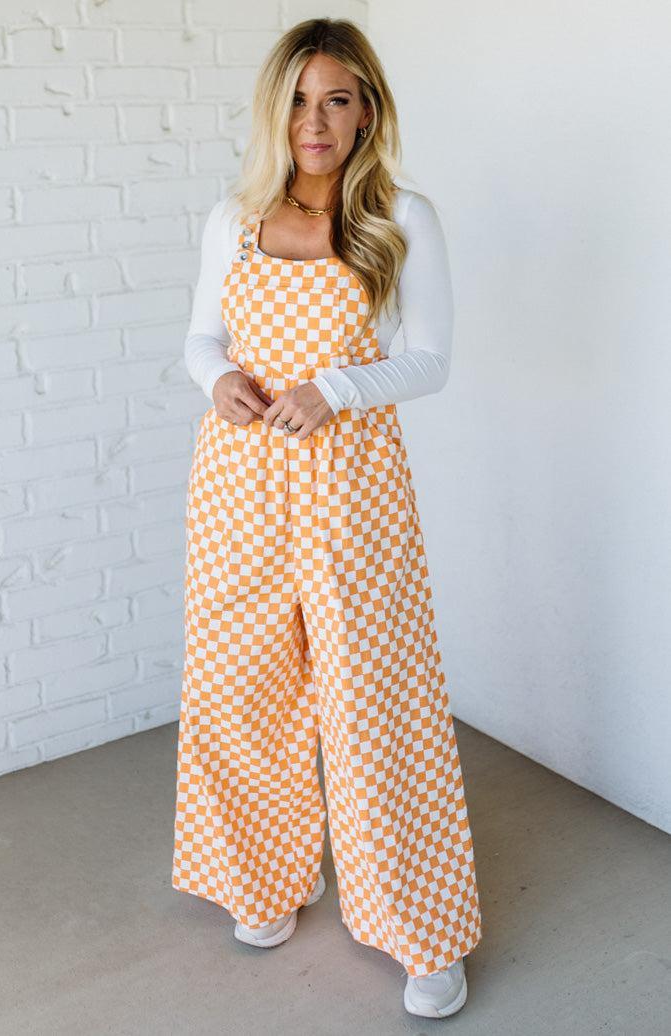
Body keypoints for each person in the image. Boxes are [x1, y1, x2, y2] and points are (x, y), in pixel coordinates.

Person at [171, 17, 482, 1020]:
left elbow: (429, 358)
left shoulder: (401, 216)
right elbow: (199, 338)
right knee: (240, 683)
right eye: (300, 98)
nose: (316, 119)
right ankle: (263, 877)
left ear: (366, 110)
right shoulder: (234, 215)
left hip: (352, 483)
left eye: (337, 98)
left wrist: (337, 388)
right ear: (277, 109)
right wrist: (220, 379)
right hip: (239, 479)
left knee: (372, 699)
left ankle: (421, 925)